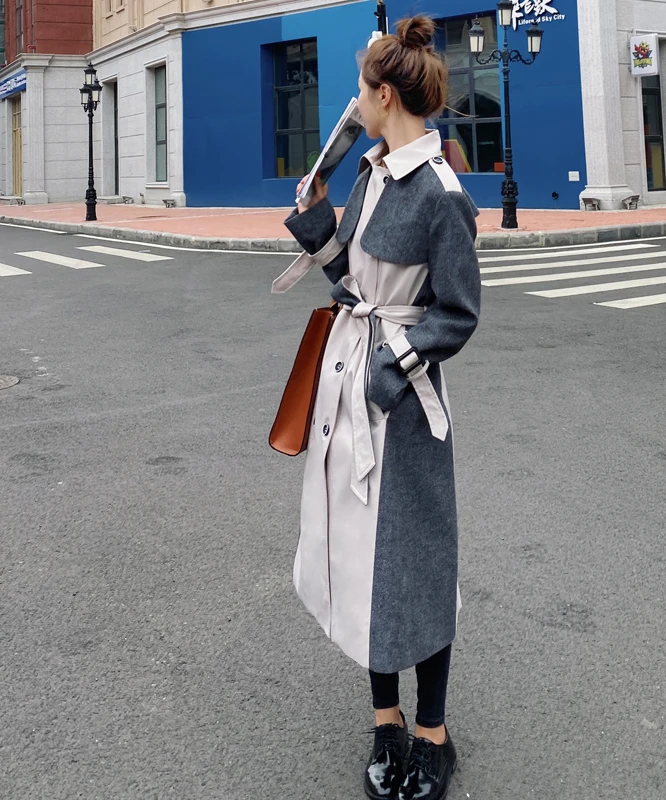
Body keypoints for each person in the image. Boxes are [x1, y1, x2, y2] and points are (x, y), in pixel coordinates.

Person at [274, 15, 481, 800]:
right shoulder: (371, 174)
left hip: (402, 402)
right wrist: (317, 217)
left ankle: (433, 734)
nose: (354, 104)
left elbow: (457, 313)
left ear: (384, 94)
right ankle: (385, 719)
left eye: (361, 91)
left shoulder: (441, 192)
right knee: (364, 559)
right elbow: (351, 280)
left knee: (415, 563)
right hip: (349, 382)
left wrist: (390, 370)